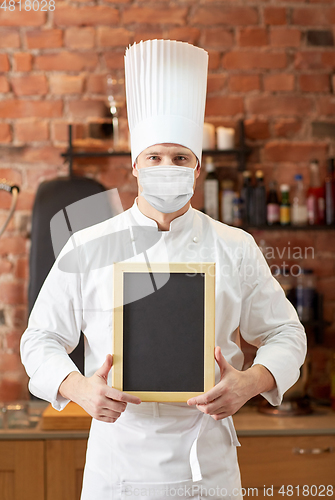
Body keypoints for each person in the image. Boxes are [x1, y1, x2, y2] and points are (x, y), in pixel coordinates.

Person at [20, 40, 307, 500]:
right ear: (135, 165)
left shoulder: (235, 247)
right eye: (154, 157)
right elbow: (40, 339)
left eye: (180, 158)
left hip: (207, 469)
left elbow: (287, 334)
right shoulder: (88, 245)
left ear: (197, 170)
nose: (166, 168)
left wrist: (250, 383)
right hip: (118, 471)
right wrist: (78, 388)